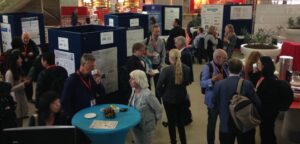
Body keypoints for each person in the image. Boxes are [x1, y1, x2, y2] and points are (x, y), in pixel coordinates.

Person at [212, 58, 261, 144]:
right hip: (244, 123)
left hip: (226, 124)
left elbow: (214, 102)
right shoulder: (247, 84)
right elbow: (257, 102)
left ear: (228, 69)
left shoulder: (219, 84)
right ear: (241, 69)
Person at [157, 49, 191, 144]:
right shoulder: (187, 69)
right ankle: (184, 141)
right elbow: (188, 82)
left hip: (168, 99)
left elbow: (159, 86)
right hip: (182, 98)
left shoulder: (166, 70)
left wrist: (162, 95)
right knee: (180, 122)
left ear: (170, 58)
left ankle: (173, 141)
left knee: (171, 122)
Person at [61, 54, 106, 122]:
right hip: (79, 115)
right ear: (83, 65)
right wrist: (73, 117)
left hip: (93, 112)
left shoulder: (92, 77)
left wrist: (98, 83)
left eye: (93, 66)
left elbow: (103, 94)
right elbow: (64, 101)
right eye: (90, 66)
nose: (93, 69)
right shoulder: (71, 80)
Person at [200, 49, 229, 144]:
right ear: (217, 57)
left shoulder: (225, 66)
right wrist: (212, 80)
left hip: (224, 100)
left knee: (224, 124)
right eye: (224, 58)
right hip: (213, 102)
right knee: (212, 124)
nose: (226, 60)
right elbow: (202, 83)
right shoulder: (208, 67)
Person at [129, 70, 162, 144]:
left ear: (138, 80)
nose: (129, 80)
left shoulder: (148, 94)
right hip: (135, 125)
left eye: (132, 78)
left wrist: (152, 122)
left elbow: (159, 109)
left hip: (145, 127)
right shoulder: (134, 90)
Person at [255, 56, 283, 144]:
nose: (257, 64)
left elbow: (265, 96)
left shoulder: (269, 80)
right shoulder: (268, 76)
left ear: (263, 66)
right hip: (268, 110)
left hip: (267, 111)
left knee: (266, 132)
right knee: (267, 131)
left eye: (259, 63)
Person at [5, 51, 30, 126]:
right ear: (15, 60)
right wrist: (23, 84)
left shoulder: (18, 69)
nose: (21, 60)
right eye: (19, 58)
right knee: (17, 119)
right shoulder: (9, 73)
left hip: (21, 97)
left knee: (21, 118)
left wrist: (24, 81)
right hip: (15, 99)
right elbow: (9, 89)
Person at [144, 24, 166, 102]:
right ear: (152, 32)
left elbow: (163, 54)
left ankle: (158, 100)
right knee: (148, 84)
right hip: (149, 65)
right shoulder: (146, 41)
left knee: (158, 84)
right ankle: (149, 100)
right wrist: (149, 54)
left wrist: (162, 64)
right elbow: (143, 53)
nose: (158, 33)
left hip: (158, 65)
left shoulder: (161, 41)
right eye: (156, 32)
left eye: (158, 31)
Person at [21, 32, 39, 102]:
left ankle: (30, 98)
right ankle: (24, 97)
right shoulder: (20, 44)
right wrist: (21, 53)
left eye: (27, 38)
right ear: (22, 38)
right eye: (24, 38)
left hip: (30, 65)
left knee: (29, 82)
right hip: (22, 66)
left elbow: (37, 52)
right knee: (22, 82)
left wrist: (33, 53)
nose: (26, 40)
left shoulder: (32, 43)